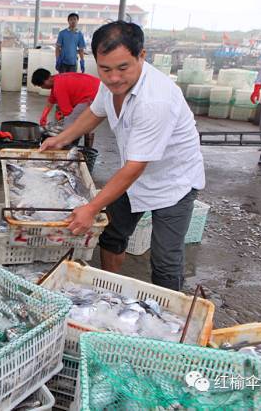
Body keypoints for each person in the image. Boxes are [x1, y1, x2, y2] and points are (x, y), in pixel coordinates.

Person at [41, 21, 205, 291]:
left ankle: (169, 321)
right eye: (105, 69)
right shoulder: (111, 84)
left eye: (123, 68)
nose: (114, 77)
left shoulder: (155, 100)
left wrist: (91, 208)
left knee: (165, 260)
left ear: (141, 56)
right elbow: (96, 112)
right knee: (112, 236)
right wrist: (61, 139)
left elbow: (135, 167)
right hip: (133, 177)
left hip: (173, 184)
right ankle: (110, 291)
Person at [32, 68, 100, 148]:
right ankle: (86, 146)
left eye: (41, 85)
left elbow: (67, 112)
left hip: (93, 95)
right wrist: (44, 116)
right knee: (82, 119)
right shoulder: (57, 79)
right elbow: (50, 101)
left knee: (69, 124)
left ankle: (69, 148)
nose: (42, 88)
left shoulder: (58, 87)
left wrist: (61, 117)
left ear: (46, 81)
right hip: (96, 89)